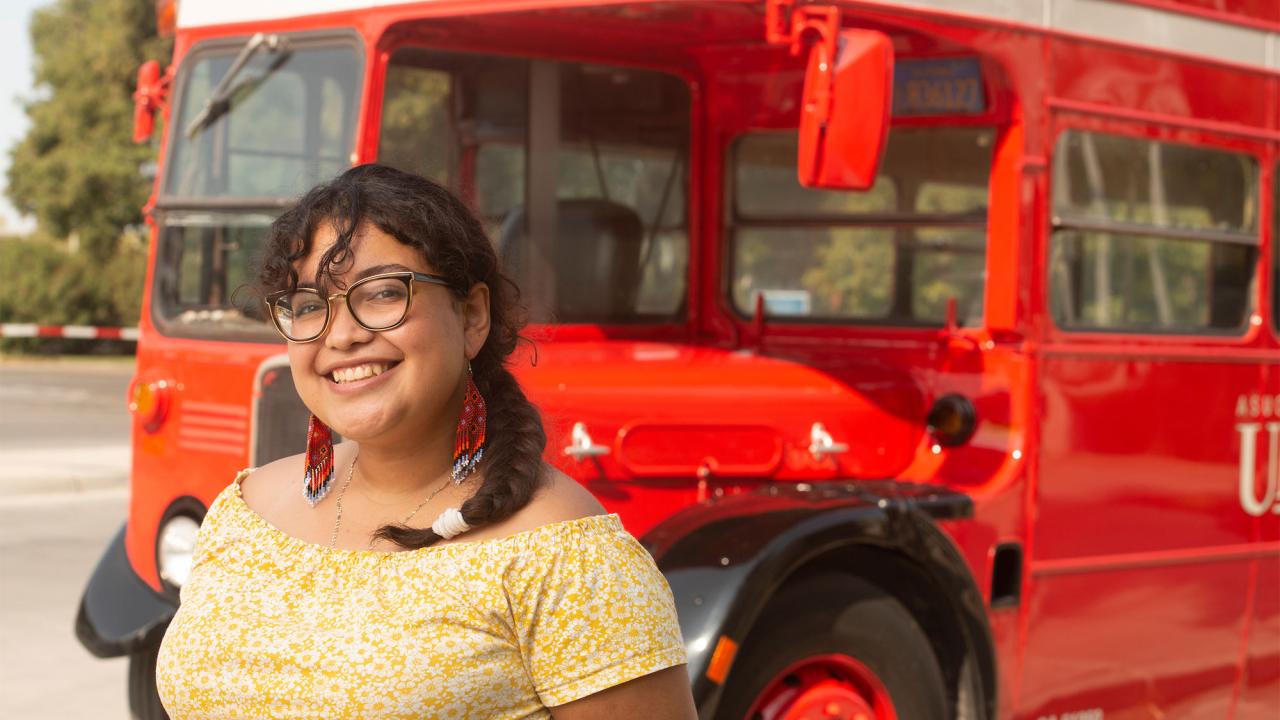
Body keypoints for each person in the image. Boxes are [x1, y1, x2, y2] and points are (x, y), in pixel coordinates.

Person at [154, 164, 696, 719]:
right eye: (310, 305)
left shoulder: (569, 558)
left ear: (472, 316)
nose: (342, 335)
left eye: (384, 293)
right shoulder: (245, 512)